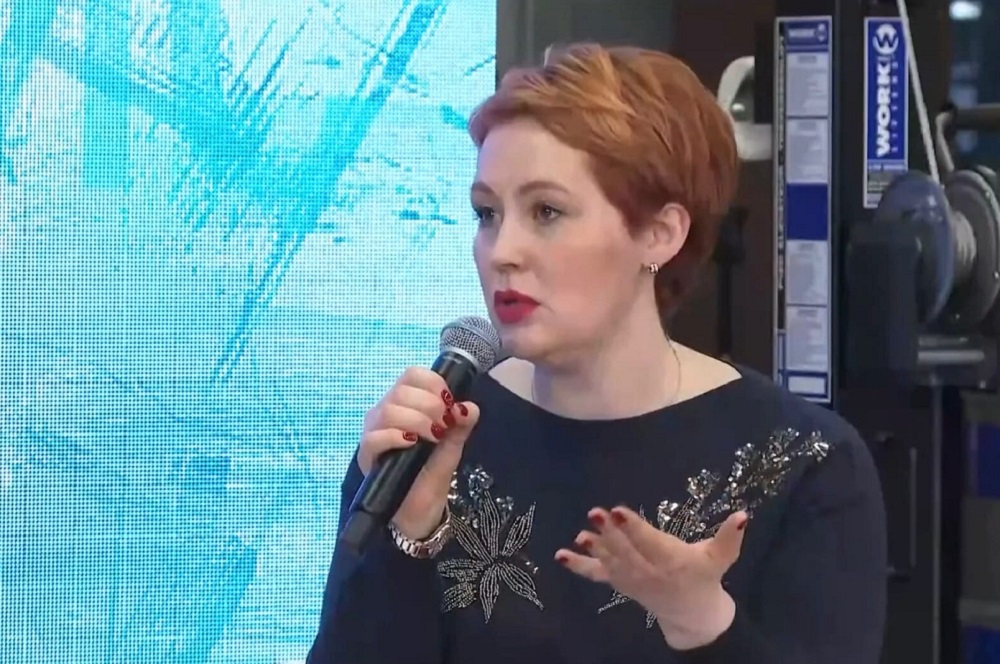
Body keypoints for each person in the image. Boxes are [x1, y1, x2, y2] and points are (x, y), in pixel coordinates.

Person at [307, 43, 887, 663]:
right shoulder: (432, 438)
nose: (502, 251)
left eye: (546, 211)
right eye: (487, 213)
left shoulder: (805, 463)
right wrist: (410, 535)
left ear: (660, 233)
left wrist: (705, 625)